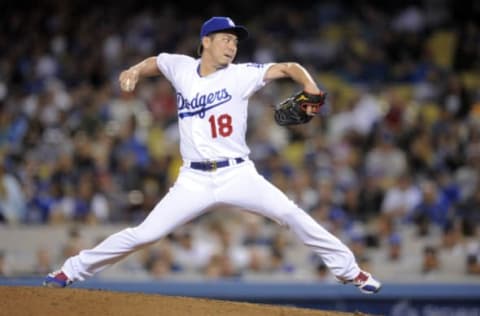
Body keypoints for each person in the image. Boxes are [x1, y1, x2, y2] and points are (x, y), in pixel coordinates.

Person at [43, 16, 381, 294]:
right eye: (225, 39)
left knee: (291, 214)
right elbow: (155, 62)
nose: (232, 46)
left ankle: (351, 272)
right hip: (194, 179)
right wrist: (133, 70)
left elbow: (289, 67)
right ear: (205, 41)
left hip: (238, 173)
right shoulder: (181, 67)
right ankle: (70, 271)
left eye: (235, 42)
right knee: (145, 234)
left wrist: (312, 89)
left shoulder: (242, 75)